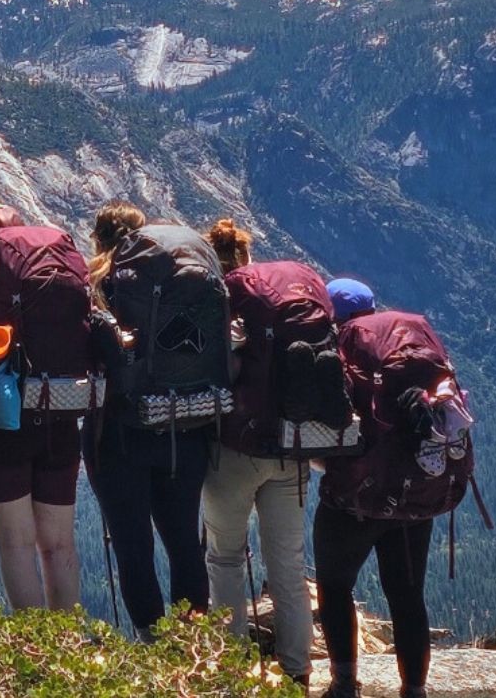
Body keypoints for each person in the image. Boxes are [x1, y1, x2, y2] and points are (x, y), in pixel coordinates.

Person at [315, 279, 471, 698]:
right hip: (417, 490)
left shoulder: (343, 344)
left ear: (336, 316)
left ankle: (345, 682)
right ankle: (414, 690)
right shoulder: (411, 332)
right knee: (406, 594)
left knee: (334, 584)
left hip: (356, 498)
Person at [81, 200, 213, 635]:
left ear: (99, 238)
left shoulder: (99, 285)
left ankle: (154, 649)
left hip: (120, 432)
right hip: (187, 425)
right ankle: (193, 645)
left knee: (132, 547)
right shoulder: (181, 277)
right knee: (184, 544)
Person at [201, 218, 317, 689]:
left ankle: (231, 672)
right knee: (287, 564)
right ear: (247, 256)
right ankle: (297, 671)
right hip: (289, 448)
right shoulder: (279, 301)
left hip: (231, 449)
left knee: (225, 559)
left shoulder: (214, 303)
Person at [0, 202, 89, 613]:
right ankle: (68, 648)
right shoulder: (54, 265)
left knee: (16, 544)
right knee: (59, 543)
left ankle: (36, 653)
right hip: (61, 412)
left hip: (2, 425)